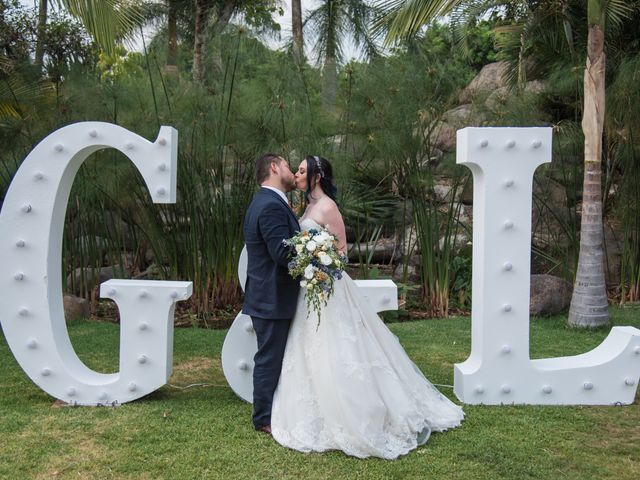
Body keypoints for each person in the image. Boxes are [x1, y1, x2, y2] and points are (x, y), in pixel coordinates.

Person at [270, 155, 464, 459]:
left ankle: (358, 409)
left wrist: (321, 262)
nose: (297, 174)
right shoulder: (305, 207)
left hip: (330, 287)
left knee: (339, 346)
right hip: (310, 289)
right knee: (310, 347)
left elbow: (343, 252)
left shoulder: (328, 207)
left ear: (317, 177)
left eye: (302, 170)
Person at [242, 153, 300, 434]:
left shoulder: (266, 202)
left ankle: (271, 410)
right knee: (269, 358)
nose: (291, 171)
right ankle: (263, 418)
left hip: (269, 295)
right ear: (275, 168)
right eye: (289, 166)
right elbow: (281, 253)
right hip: (272, 297)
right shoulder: (270, 206)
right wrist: (314, 254)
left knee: (273, 355)